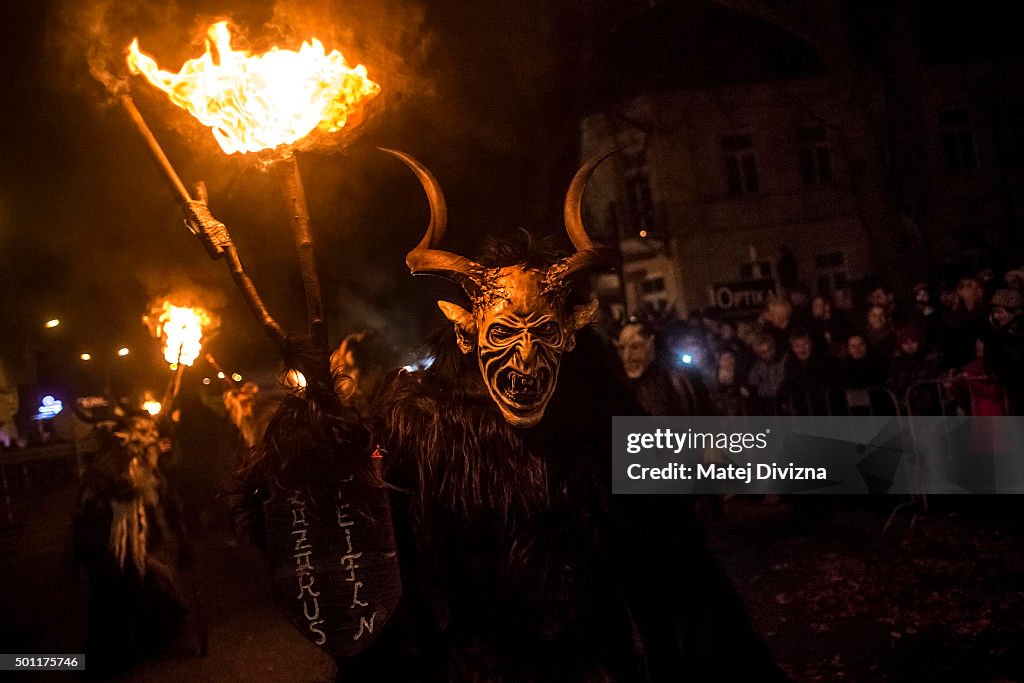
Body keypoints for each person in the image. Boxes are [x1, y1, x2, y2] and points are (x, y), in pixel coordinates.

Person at [223, 151, 786, 681]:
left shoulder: (596, 420)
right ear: (468, 335)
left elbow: (679, 551)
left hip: (598, 665)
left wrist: (865, 455)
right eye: (503, 334)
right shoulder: (422, 427)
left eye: (541, 333)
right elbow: (352, 531)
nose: (522, 360)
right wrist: (313, 445)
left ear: (567, 334)